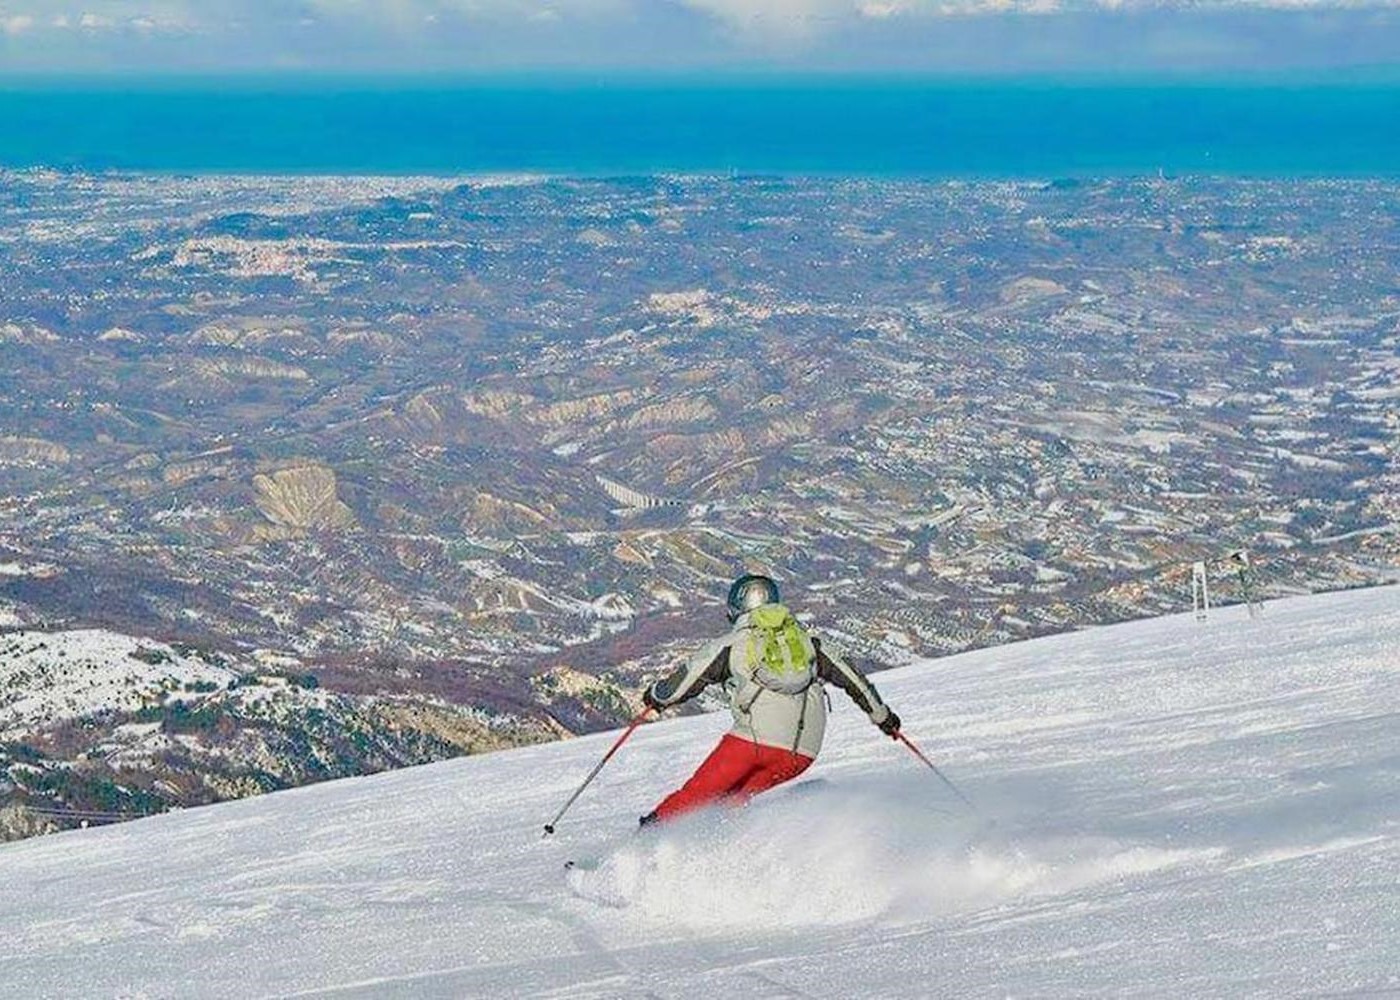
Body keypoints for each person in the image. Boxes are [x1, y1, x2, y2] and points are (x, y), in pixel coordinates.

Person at [639, 572, 902, 825]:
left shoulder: (733, 645)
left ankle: (645, 840)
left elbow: (679, 685)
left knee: (694, 797)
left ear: (735, 608)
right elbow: (857, 682)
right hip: (802, 753)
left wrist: (655, 698)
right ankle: (725, 853)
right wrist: (884, 719)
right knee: (729, 803)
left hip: (751, 745)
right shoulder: (811, 644)